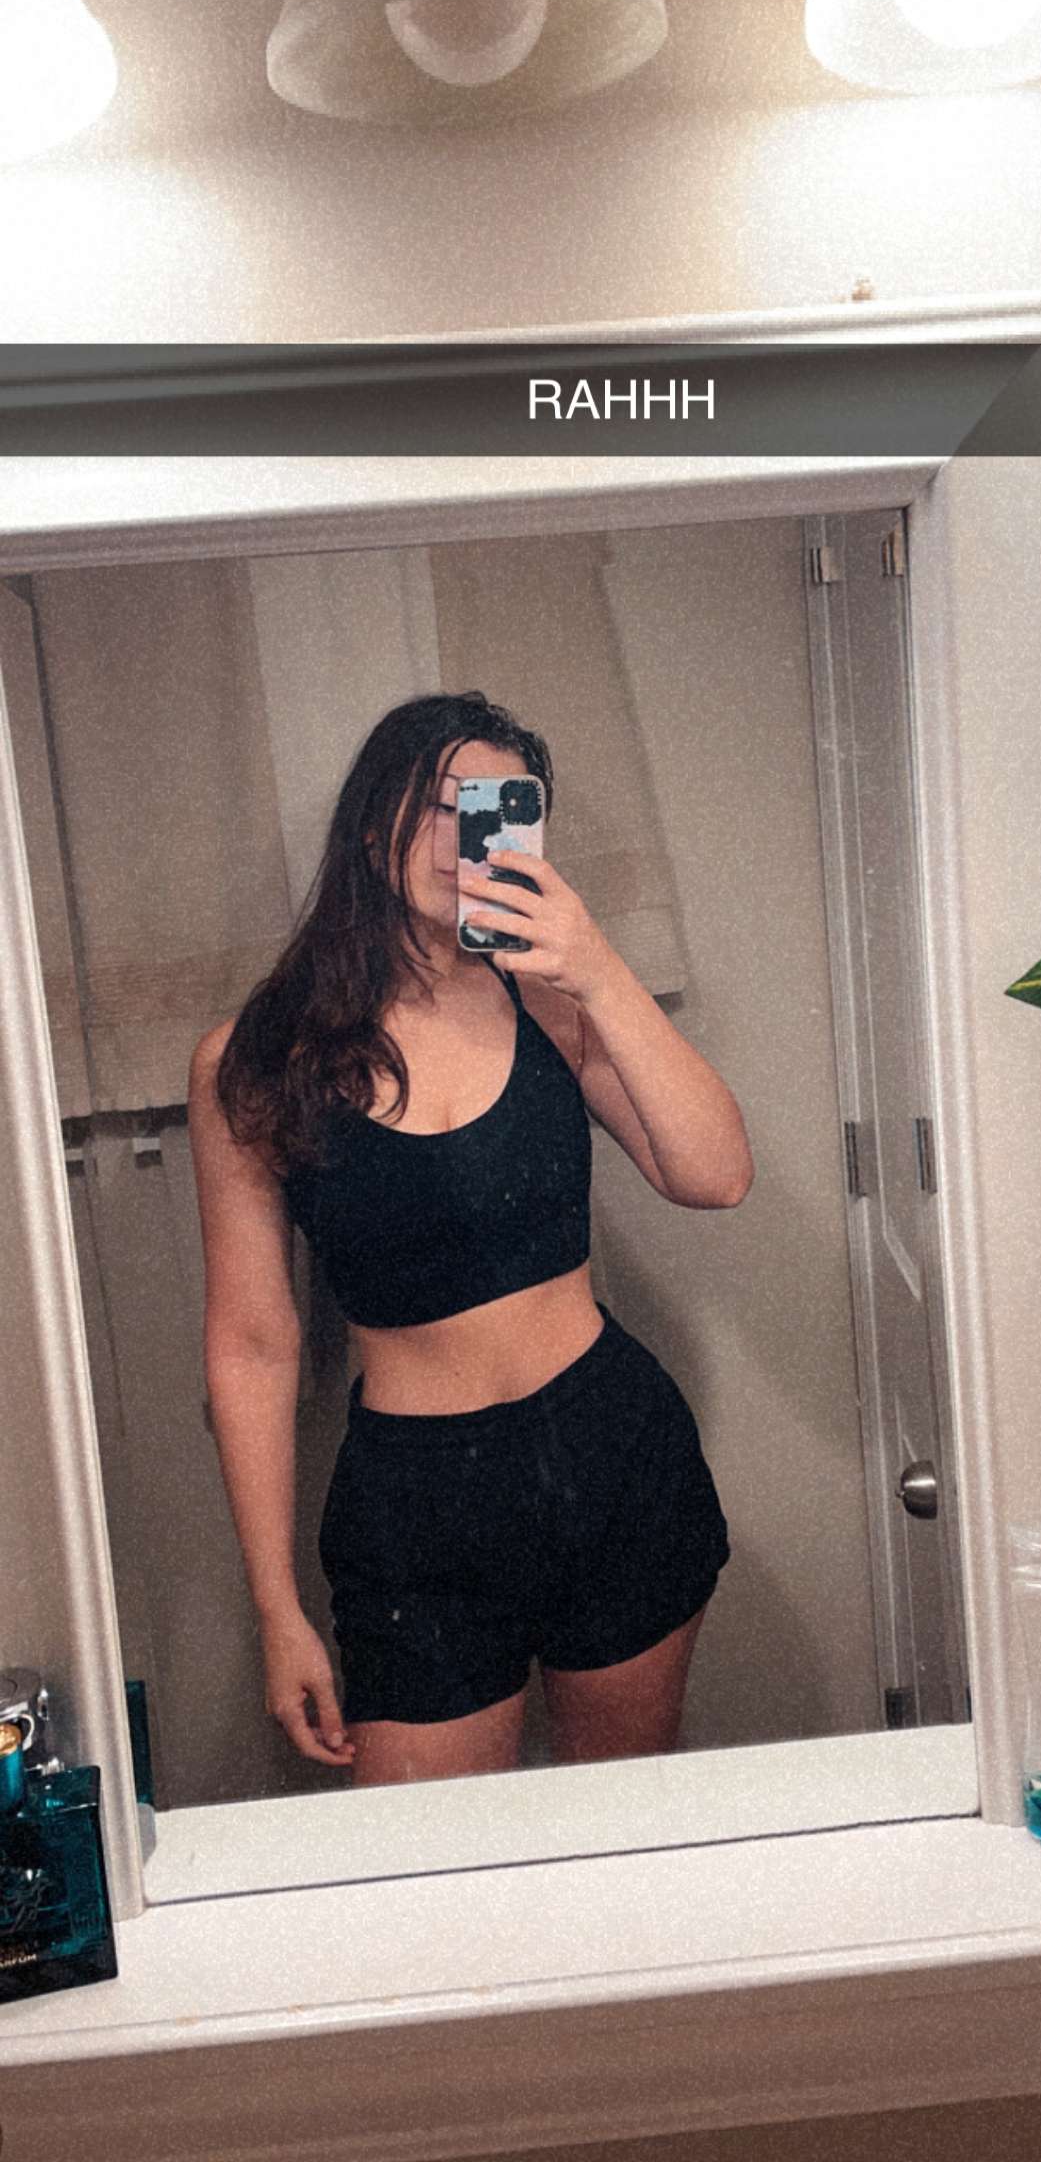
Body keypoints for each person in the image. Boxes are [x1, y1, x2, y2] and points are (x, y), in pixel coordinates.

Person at [188, 691, 753, 1787]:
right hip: (416, 1511)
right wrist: (276, 1610)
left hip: (616, 1459)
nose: (466, 835)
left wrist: (596, 968)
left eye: (499, 806)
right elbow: (252, 1344)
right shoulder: (254, 1059)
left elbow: (715, 1174)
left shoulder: (549, 1003)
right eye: (443, 802)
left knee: (623, 1830)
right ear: (373, 825)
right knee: (427, 1867)